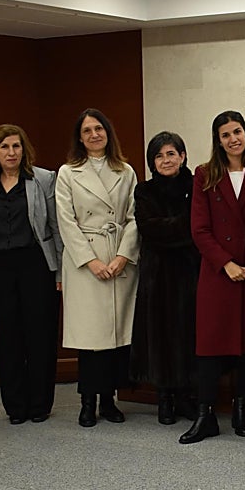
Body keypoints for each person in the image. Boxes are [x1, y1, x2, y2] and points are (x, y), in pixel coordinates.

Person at [183, 111, 245, 444]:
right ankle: (205, 414)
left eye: (237, 131)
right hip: (218, 273)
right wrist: (226, 263)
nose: (232, 139)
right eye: (225, 135)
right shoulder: (204, 175)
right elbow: (200, 229)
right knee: (210, 346)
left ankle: (241, 410)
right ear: (218, 141)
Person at [57, 108, 139, 428]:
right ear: (80, 137)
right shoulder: (68, 172)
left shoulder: (126, 171)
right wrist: (91, 260)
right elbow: (65, 220)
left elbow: (134, 217)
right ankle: (87, 401)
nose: (94, 135)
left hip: (118, 258)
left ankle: (110, 401)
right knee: (91, 339)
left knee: (117, 336)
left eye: (99, 129)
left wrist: (122, 256)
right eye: (87, 130)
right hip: (85, 262)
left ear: (108, 132)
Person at [0, 124, 61, 425]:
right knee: (7, 337)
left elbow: (55, 226)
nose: (11, 153)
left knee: (40, 336)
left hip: (35, 264)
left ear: (24, 150)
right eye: (4, 147)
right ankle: (15, 406)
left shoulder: (43, 179)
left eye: (16, 146)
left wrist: (60, 271)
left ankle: (39, 405)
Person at [130, 131, 200, 426]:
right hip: (156, 275)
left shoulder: (197, 186)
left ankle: (186, 395)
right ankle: (164, 398)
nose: (166, 160)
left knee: (187, 332)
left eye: (171, 153)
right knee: (159, 334)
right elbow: (150, 229)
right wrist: (181, 229)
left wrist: (177, 230)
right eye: (159, 155)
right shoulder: (144, 191)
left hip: (189, 272)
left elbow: (197, 227)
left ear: (183, 156)